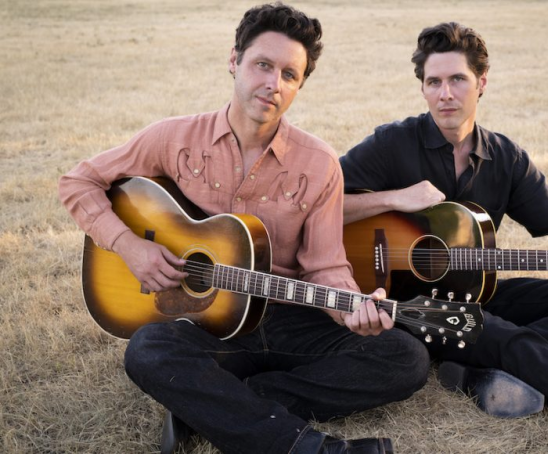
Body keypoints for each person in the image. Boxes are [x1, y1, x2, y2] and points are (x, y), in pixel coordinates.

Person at [58, 4, 430, 454]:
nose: (274, 84)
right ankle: (309, 446)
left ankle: (214, 404)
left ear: (299, 86)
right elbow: (79, 181)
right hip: (205, 323)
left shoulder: (319, 164)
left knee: (405, 358)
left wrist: (352, 309)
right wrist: (129, 246)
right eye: (262, 65)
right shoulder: (173, 138)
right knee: (148, 350)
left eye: (290, 75)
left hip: (291, 316)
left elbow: (326, 267)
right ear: (234, 61)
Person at [340, 21, 548, 451]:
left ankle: (484, 363)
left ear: (481, 82)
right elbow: (321, 203)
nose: (446, 93)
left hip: (476, 294)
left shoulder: (505, 158)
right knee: (511, 340)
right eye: (434, 82)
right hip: (404, 306)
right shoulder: (393, 143)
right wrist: (395, 199)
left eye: (458, 79)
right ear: (423, 88)